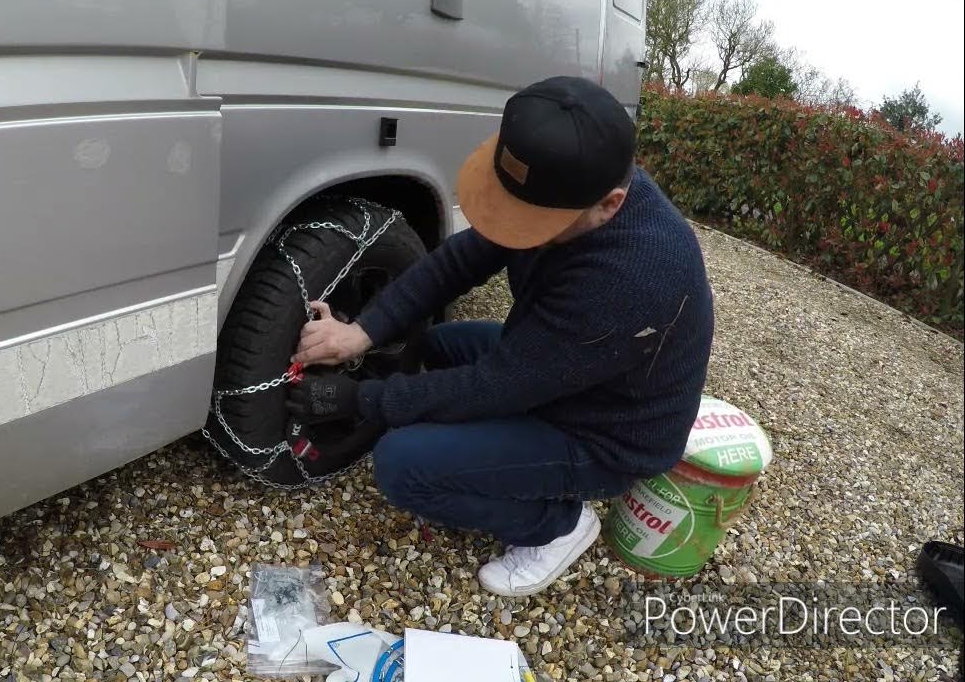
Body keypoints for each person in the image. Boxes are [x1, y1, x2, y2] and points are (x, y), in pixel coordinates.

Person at [287, 76, 715, 597]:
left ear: (610, 204)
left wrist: (361, 399)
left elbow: (494, 387)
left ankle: (557, 525)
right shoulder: (569, 183)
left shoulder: (630, 280)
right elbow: (460, 260)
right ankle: (507, 461)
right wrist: (361, 331)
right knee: (438, 346)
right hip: (564, 370)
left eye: (531, 225)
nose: (515, 230)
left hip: (606, 434)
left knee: (401, 465)